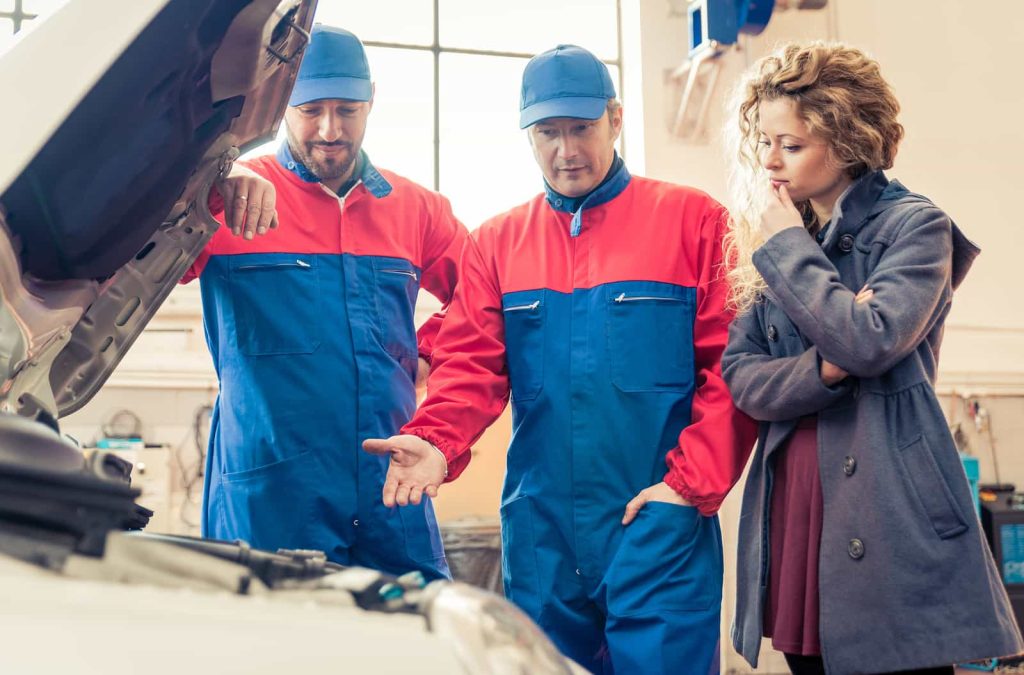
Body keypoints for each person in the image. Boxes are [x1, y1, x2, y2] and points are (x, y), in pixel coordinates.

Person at [363, 44, 757, 673]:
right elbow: (470, 365)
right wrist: (435, 440)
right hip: (542, 534)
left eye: (582, 129)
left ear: (617, 119)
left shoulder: (695, 222)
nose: (566, 151)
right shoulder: (496, 244)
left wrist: (687, 488)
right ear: (528, 135)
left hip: (654, 523)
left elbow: (734, 372)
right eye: (548, 132)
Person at [721, 42, 1022, 675]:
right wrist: (824, 369)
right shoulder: (779, 237)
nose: (770, 161)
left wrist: (795, 256)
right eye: (764, 143)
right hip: (797, 494)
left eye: (791, 145)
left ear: (849, 138)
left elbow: (869, 340)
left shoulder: (916, 228)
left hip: (886, 497)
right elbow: (743, 376)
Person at [181, 25, 468, 581]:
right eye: (311, 109)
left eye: (347, 110)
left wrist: (425, 352)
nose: (330, 130)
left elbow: (480, 303)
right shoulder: (232, 196)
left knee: (414, 639)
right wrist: (212, 177)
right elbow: (130, 245)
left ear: (370, 103)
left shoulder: (419, 210)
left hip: (391, 488)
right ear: (283, 104)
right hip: (271, 495)